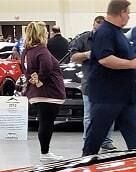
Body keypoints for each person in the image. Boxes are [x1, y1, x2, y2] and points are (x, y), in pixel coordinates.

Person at [82, 0, 136, 156]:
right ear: (121, 12)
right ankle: (83, 166)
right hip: (107, 97)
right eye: (128, 13)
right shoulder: (105, 32)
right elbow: (105, 59)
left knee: (135, 138)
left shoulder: (118, 33)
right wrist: (131, 63)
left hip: (125, 96)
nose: (129, 17)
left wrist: (135, 60)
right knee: (96, 136)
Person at [21, 21, 66, 163]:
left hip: (36, 93)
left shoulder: (26, 51)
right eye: (45, 32)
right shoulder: (42, 50)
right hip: (48, 93)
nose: (47, 34)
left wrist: (33, 80)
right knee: (47, 123)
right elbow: (46, 67)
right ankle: (45, 153)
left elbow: (24, 69)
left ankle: (45, 152)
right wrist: (40, 79)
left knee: (44, 122)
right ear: (41, 33)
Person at [70, 16, 117, 152]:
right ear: (93, 25)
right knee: (89, 116)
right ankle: (88, 141)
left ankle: (106, 141)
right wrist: (86, 54)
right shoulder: (84, 39)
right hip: (90, 84)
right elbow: (73, 57)